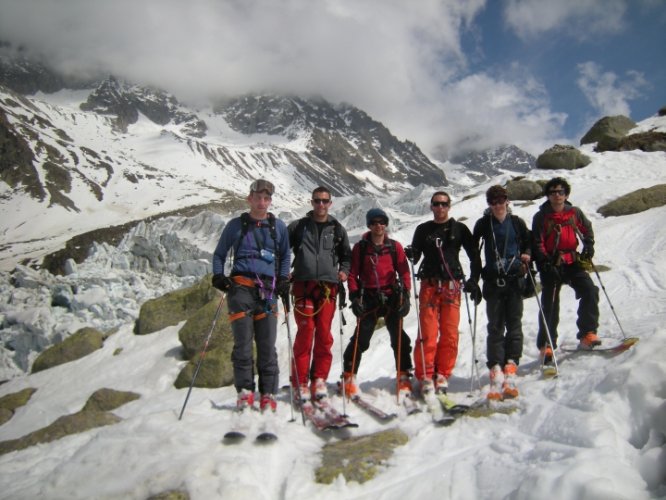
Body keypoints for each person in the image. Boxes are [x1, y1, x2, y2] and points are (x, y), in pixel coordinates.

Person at [211, 179, 291, 413]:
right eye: (258, 197)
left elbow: (285, 256)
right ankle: (245, 392)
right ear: (250, 198)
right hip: (241, 289)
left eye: (266, 198)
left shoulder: (279, 227)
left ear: (270, 201)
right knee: (243, 345)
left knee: (267, 346)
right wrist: (218, 276)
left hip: (268, 292)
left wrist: (284, 278)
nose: (262, 202)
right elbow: (219, 255)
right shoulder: (236, 225)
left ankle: (268, 393)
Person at [405, 191, 481, 396]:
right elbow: (417, 255)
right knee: (428, 333)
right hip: (429, 285)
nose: (440, 208)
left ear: (449, 206)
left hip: (451, 286)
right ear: (431, 207)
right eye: (436, 204)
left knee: (449, 333)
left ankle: (442, 374)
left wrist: (475, 279)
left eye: (443, 204)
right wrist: (412, 254)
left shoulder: (460, 229)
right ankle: (426, 375)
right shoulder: (423, 230)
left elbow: (474, 255)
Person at [288, 186, 351, 402]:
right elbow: (281, 250)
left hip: (328, 288)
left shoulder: (337, 229)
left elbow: (346, 256)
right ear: (312, 202)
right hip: (303, 286)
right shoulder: (298, 227)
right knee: (305, 334)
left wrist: (344, 271)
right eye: (317, 201)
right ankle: (300, 382)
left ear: (330, 203)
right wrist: (282, 272)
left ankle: (319, 380)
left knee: (324, 335)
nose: (321, 205)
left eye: (325, 201)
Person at [342, 208, 413, 399]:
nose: (378, 226)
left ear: (386, 224)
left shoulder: (394, 247)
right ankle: (348, 376)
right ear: (369, 225)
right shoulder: (361, 248)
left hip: (391, 296)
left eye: (382, 222)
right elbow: (352, 274)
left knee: (399, 338)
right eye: (374, 222)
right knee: (361, 340)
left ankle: (404, 375)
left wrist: (405, 295)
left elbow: (404, 271)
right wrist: (355, 297)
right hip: (369, 298)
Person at [470, 185, 531, 400]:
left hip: (514, 280)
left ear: (507, 200)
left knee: (514, 323)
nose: (497, 205)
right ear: (489, 204)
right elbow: (474, 253)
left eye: (500, 200)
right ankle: (496, 365)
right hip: (493, 281)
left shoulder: (517, 223)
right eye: (493, 201)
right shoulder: (483, 224)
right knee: (495, 325)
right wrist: (474, 280)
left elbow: (528, 242)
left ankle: (511, 363)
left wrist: (526, 254)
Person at [532, 177, 600, 363]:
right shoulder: (541, 217)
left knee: (590, 291)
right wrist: (545, 262)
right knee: (549, 304)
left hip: (572, 261)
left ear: (566, 194)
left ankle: (587, 333)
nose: (557, 195)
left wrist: (589, 245)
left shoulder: (574, 213)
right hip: (551, 265)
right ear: (548, 195)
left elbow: (586, 229)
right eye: (553, 192)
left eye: (560, 192)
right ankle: (546, 344)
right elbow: (537, 242)